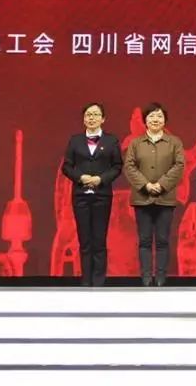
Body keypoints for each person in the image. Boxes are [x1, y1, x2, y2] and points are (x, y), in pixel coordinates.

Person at [60, 102, 123, 287]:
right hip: (80, 196)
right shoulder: (75, 141)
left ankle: (99, 281)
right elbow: (67, 166)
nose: (92, 118)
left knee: (99, 239)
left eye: (96, 114)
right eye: (88, 114)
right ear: (83, 119)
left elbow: (117, 167)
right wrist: (81, 177)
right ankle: (86, 281)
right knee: (84, 240)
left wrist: (100, 179)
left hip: (102, 196)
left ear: (103, 119)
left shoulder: (111, 141)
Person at [123, 102, 185, 287]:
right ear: (145, 120)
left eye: (159, 116)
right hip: (142, 199)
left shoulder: (174, 142)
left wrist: (161, 185)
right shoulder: (136, 143)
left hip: (165, 199)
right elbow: (130, 167)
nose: (155, 119)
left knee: (163, 240)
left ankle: (160, 278)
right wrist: (146, 185)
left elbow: (179, 166)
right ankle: (146, 277)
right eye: (151, 116)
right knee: (144, 240)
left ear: (165, 120)